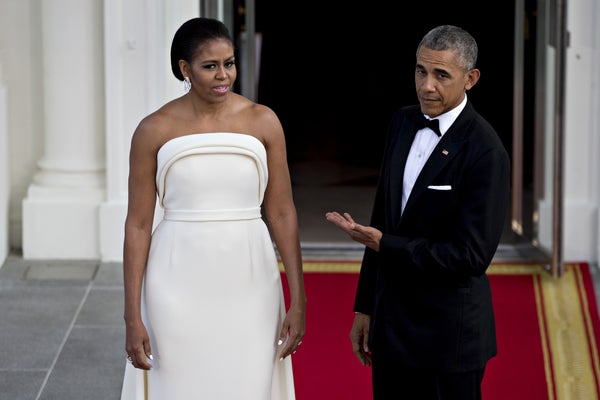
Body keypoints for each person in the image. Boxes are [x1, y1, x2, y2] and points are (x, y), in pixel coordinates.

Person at [120, 17, 306, 399]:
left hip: (251, 279)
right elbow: (138, 226)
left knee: (247, 383)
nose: (224, 75)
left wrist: (298, 298)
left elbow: (283, 213)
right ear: (185, 69)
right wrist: (131, 315)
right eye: (211, 66)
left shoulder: (263, 121)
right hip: (175, 280)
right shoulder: (153, 130)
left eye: (230, 63)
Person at [326, 25, 510, 400]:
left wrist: (388, 245)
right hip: (392, 331)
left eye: (441, 75)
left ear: (470, 79)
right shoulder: (403, 121)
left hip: (448, 340)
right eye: (420, 71)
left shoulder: (486, 151)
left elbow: (471, 257)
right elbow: (383, 217)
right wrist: (365, 309)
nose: (427, 85)